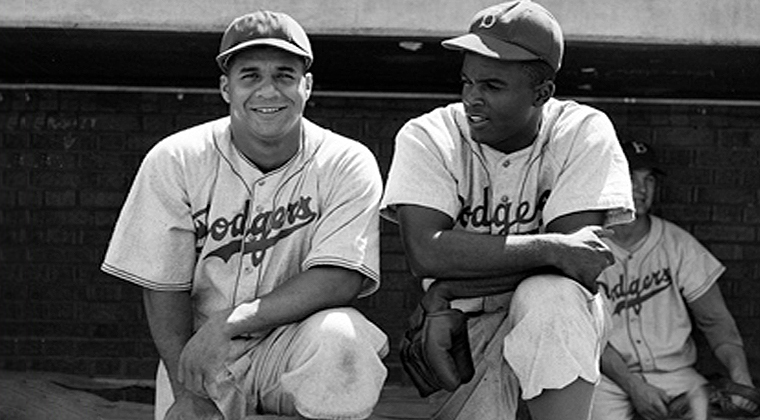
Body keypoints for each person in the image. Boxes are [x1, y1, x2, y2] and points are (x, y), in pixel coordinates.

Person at [101, 10, 389, 420]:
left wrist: (231, 323)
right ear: (226, 87)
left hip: (295, 344)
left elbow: (340, 277)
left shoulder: (345, 161)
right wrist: (187, 391)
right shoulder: (177, 159)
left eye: (284, 75)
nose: (268, 91)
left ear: (307, 86)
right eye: (250, 75)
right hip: (203, 352)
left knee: (344, 338)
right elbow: (162, 284)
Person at [380, 1, 634, 419]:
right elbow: (425, 252)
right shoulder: (430, 134)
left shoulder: (581, 131)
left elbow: (576, 265)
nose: (472, 100)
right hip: (463, 327)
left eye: (492, 86)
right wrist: (550, 247)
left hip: (551, 322)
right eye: (467, 82)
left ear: (542, 93)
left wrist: (447, 288)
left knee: (551, 297)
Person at [592, 140, 757, 420]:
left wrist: (742, 381)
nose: (641, 189)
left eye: (649, 180)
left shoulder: (678, 244)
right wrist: (635, 387)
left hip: (676, 374)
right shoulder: (587, 247)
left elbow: (716, 322)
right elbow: (587, 335)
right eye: (630, 177)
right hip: (608, 378)